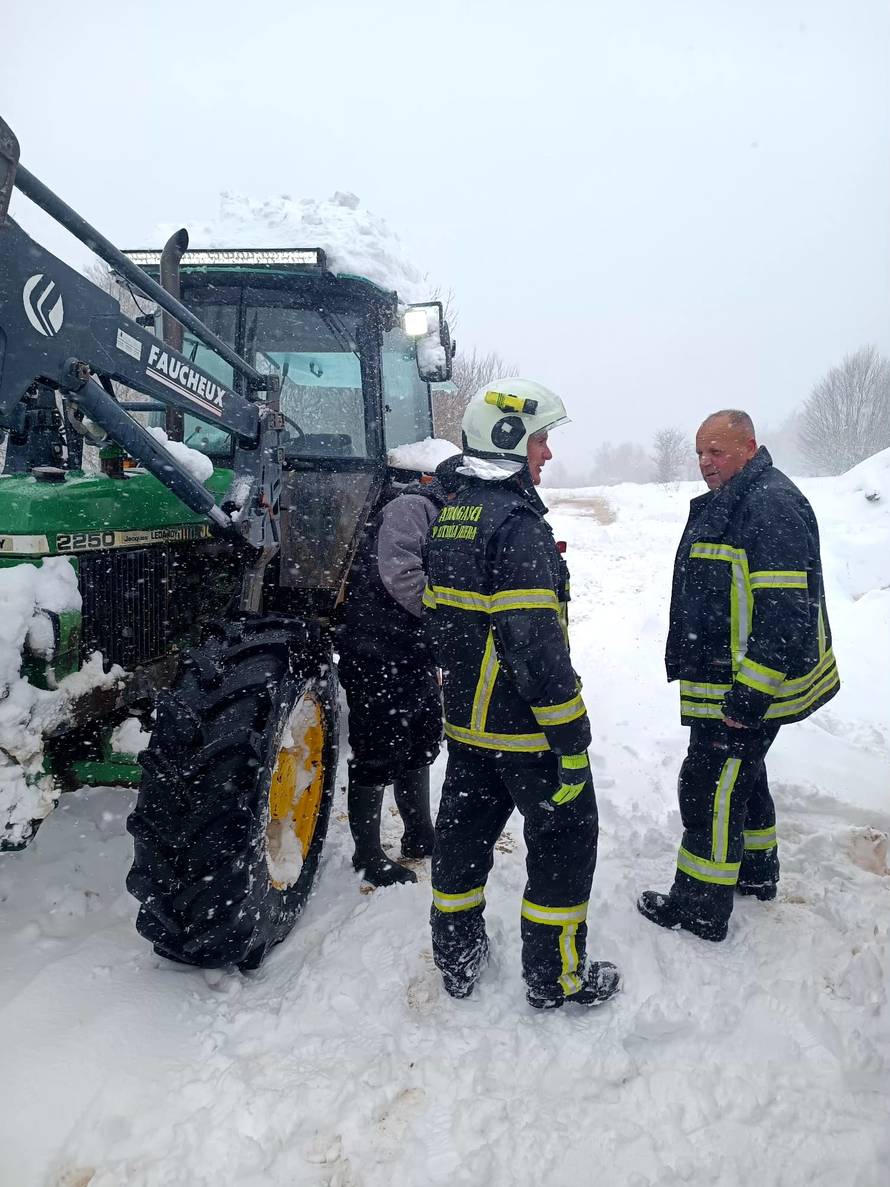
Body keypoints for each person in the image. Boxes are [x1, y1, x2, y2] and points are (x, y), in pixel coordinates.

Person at [422, 378, 621, 1009]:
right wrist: (570, 737)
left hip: (468, 728)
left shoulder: (452, 515)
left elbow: (443, 621)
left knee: (461, 842)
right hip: (526, 731)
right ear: (509, 439)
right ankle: (555, 978)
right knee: (566, 839)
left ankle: (456, 958)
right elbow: (533, 646)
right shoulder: (518, 527)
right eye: (541, 440)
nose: (548, 455)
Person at [638, 410, 840, 941]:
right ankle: (756, 872)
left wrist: (749, 696)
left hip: (748, 684)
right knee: (742, 776)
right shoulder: (740, 496)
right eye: (700, 452)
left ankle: (700, 907)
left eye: (717, 452)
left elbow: (784, 612)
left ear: (750, 446)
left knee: (710, 786)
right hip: (730, 677)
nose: (705, 463)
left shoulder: (769, 505)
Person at [336, 452, 461, 887]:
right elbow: (402, 574)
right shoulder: (413, 508)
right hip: (376, 650)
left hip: (415, 651)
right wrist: (448, 615)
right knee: (378, 748)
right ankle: (367, 854)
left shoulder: (450, 514)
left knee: (422, 738)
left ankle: (419, 835)